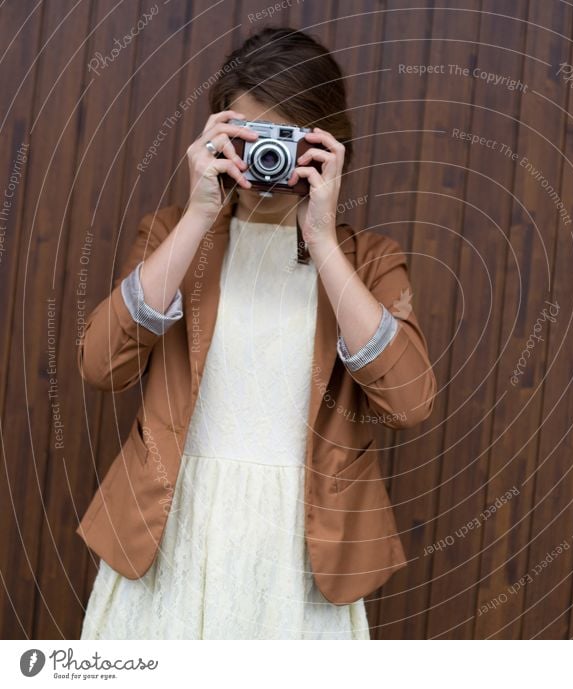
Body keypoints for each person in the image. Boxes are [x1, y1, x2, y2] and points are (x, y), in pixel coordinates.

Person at [77, 26, 436, 639]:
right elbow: (100, 365)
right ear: (217, 136)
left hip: (303, 548)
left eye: (288, 139)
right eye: (249, 137)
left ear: (330, 143)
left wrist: (321, 238)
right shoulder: (173, 235)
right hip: (172, 534)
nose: (266, 159)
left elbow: (410, 402)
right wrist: (198, 214)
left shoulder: (367, 260)